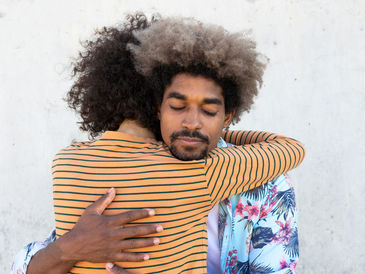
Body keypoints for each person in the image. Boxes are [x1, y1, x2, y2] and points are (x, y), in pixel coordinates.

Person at [11, 14, 303, 274]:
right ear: (155, 107)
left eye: (209, 111)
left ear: (227, 116)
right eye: (177, 106)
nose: (192, 122)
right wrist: (72, 247)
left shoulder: (268, 185)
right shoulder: (131, 174)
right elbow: (27, 265)